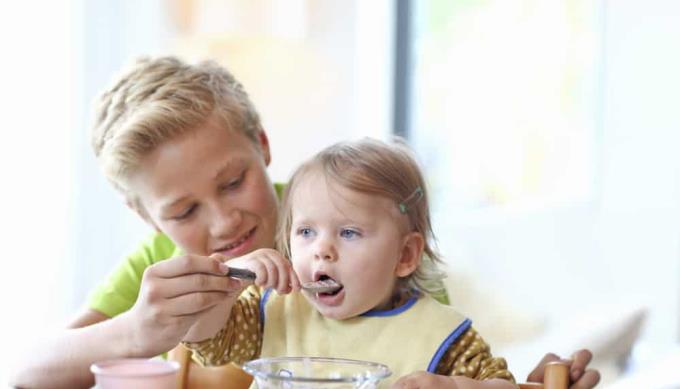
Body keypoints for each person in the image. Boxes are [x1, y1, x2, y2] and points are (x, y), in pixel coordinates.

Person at [10, 56, 600, 389]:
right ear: (146, 216)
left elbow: (430, 342)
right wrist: (136, 332)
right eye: (184, 212)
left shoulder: (357, 219)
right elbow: (24, 372)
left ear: (263, 145)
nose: (223, 221)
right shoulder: (163, 265)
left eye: (233, 181)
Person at [183, 138, 519, 388]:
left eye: (348, 232)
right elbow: (208, 344)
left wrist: (453, 386)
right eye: (305, 231)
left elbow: (503, 386)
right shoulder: (271, 310)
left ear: (404, 256)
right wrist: (227, 287)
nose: (322, 250)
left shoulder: (441, 335)